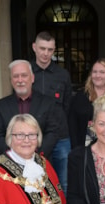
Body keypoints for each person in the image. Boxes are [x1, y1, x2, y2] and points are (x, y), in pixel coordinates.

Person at [0, 59, 60, 159]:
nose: (20, 80)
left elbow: (52, 133)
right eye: (15, 76)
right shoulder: (0, 106)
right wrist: (14, 156)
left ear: (32, 78)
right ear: (11, 80)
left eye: (24, 75)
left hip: (41, 161)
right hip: (10, 164)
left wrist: (34, 155)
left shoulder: (48, 103)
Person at [31, 31, 72, 194]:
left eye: (50, 49)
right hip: (32, 138)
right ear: (34, 47)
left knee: (64, 183)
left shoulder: (63, 75)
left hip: (61, 137)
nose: (45, 53)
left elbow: (67, 106)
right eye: (42, 48)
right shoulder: (26, 72)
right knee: (35, 183)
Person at [68, 58, 105, 148]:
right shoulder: (80, 97)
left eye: (102, 72)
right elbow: (72, 126)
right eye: (95, 72)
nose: (97, 75)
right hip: (84, 148)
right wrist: (76, 150)